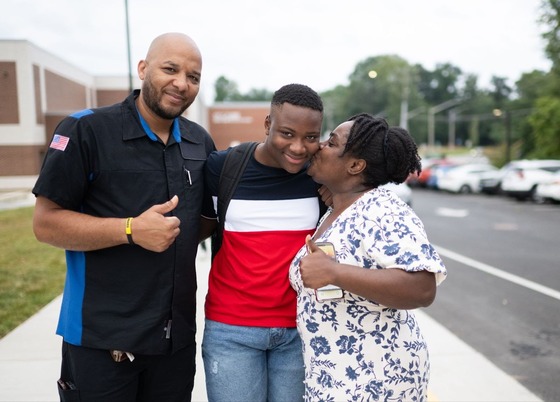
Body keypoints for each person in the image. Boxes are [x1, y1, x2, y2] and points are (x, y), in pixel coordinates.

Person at [32, 32, 215, 402]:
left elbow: (202, 221)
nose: (181, 83)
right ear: (143, 69)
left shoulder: (200, 142)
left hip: (174, 345)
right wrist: (131, 229)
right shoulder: (85, 130)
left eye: (193, 77)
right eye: (170, 69)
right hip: (102, 342)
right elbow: (45, 223)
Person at [289, 113, 447, 402]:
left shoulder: (384, 211)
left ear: (355, 165)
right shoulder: (337, 208)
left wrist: (335, 273)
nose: (320, 145)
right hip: (337, 374)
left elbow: (422, 288)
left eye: (332, 142)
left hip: (377, 378)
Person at [202, 83, 325, 401]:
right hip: (231, 330)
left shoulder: (319, 177)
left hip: (300, 329)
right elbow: (198, 229)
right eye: (287, 133)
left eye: (310, 137)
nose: (299, 147)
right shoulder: (223, 167)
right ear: (268, 125)